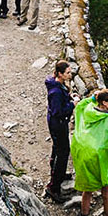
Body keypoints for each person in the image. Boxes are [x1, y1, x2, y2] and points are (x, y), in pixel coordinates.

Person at [71, 88, 108, 216]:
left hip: (86, 157)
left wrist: (92, 99)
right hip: (101, 163)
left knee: (87, 192)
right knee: (106, 193)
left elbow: (80, 105)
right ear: (104, 103)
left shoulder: (88, 110)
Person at [43, 60, 75, 203]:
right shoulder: (55, 91)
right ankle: (54, 187)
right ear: (60, 74)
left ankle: (58, 174)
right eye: (68, 72)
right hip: (58, 124)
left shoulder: (58, 85)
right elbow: (58, 112)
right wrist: (72, 104)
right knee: (63, 152)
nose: (70, 74)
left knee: (58, 148)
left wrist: (70, 98)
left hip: (58, 124)